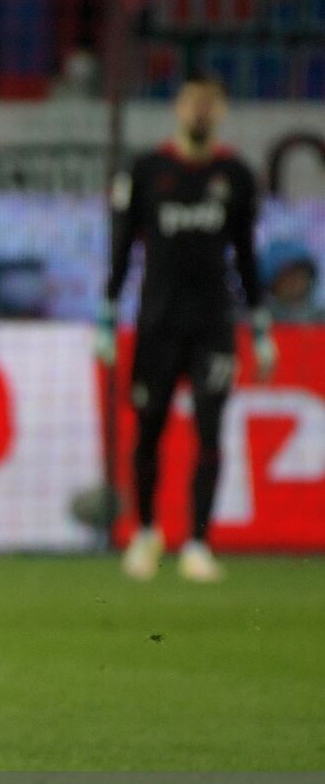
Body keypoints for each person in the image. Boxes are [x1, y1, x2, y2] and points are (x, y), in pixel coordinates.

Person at [98, 76, 277, 583]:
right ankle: (146, 532)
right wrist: (107, 316)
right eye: (192, 101)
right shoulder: (146, 170)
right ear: (178, 108)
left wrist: (260, 326)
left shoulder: (236, 175)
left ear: (220, 110)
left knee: (210, 429)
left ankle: (198, 542)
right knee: (148, 429)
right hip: (157, 324)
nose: (200, 110)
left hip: (213, 326)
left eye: (209, 103)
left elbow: (246, 255)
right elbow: (122, 248)